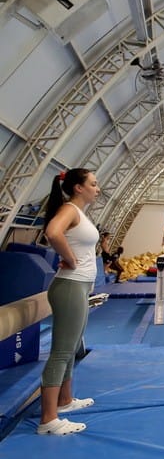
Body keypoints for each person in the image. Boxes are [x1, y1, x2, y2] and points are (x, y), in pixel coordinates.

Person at [38, 168, 101, 435]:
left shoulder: (80, 213)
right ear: (78, 187)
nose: (98, 189)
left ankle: (64, 400)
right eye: (93, 184)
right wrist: (70, 259)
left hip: (79, 286)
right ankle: (48, 419)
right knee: (62, 351)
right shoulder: (69, 210)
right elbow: (53, 233)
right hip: (70, 285)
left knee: (72, 346)